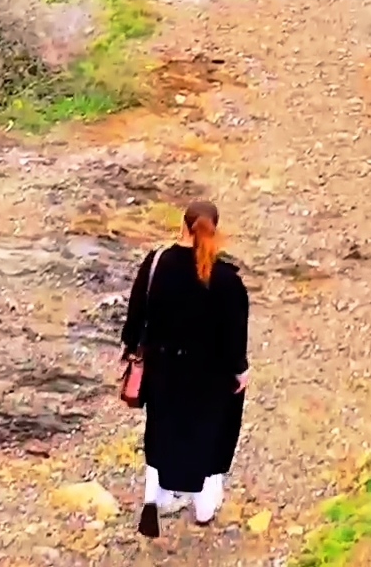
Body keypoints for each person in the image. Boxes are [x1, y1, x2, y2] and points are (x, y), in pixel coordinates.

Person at [118, 195, 249, 537]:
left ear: (182, 226)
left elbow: (135, 317)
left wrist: (132, 349)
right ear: (215, 231)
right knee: (208, 436)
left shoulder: (156, 263)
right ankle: (203, 508)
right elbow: (235, 336)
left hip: (163, 370)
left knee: (161, 431)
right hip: (211, 377)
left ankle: (155, 499)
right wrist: (240, 370)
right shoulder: (226, 280)